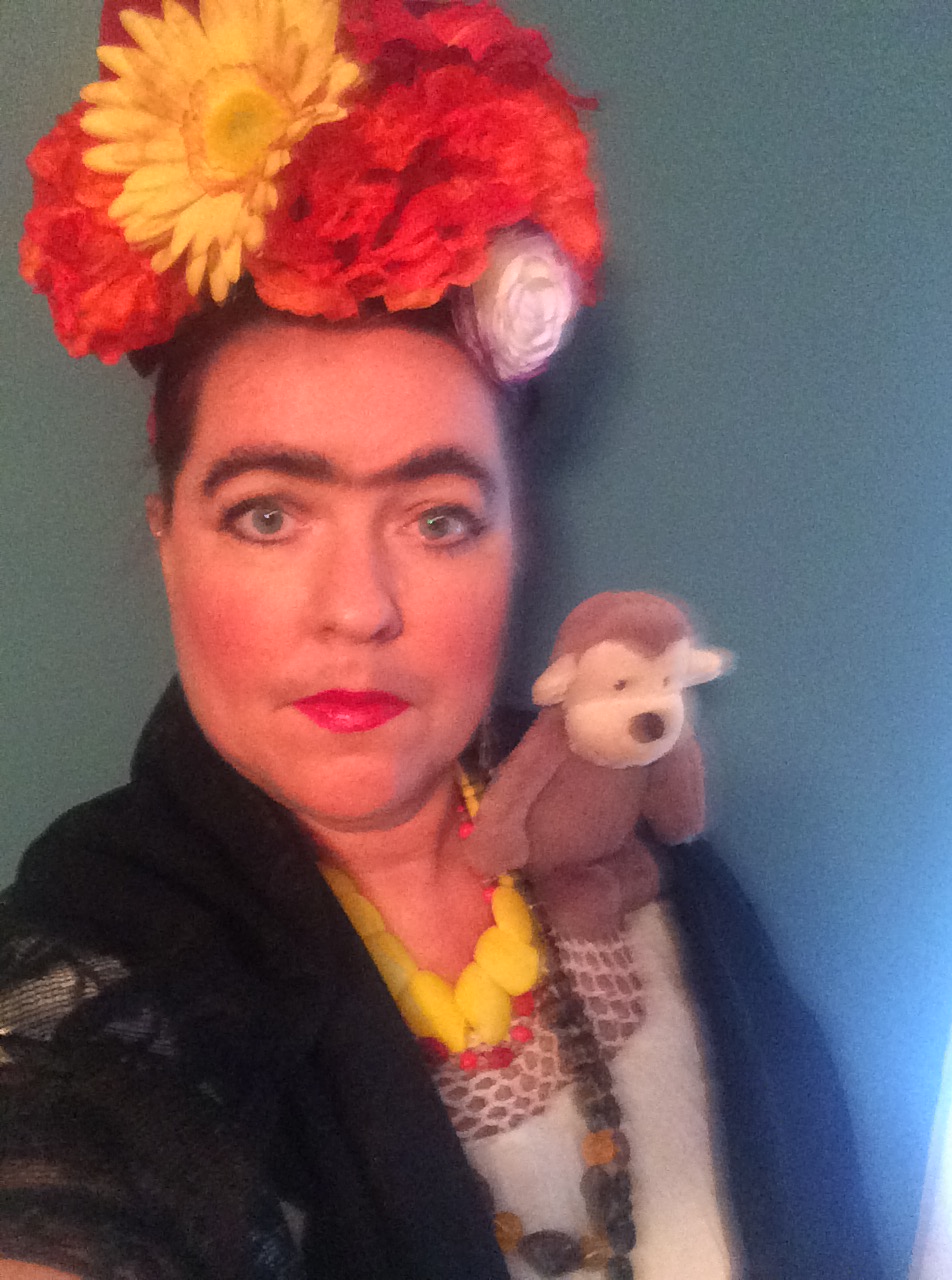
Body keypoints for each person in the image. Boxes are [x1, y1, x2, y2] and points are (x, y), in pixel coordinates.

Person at [3, 1, 881, 1278]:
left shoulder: (634, 838)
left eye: (437, 518)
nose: (359, 606)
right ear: (168, 539)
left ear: (517, 543)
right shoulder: (102, 943)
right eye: (267, 513)